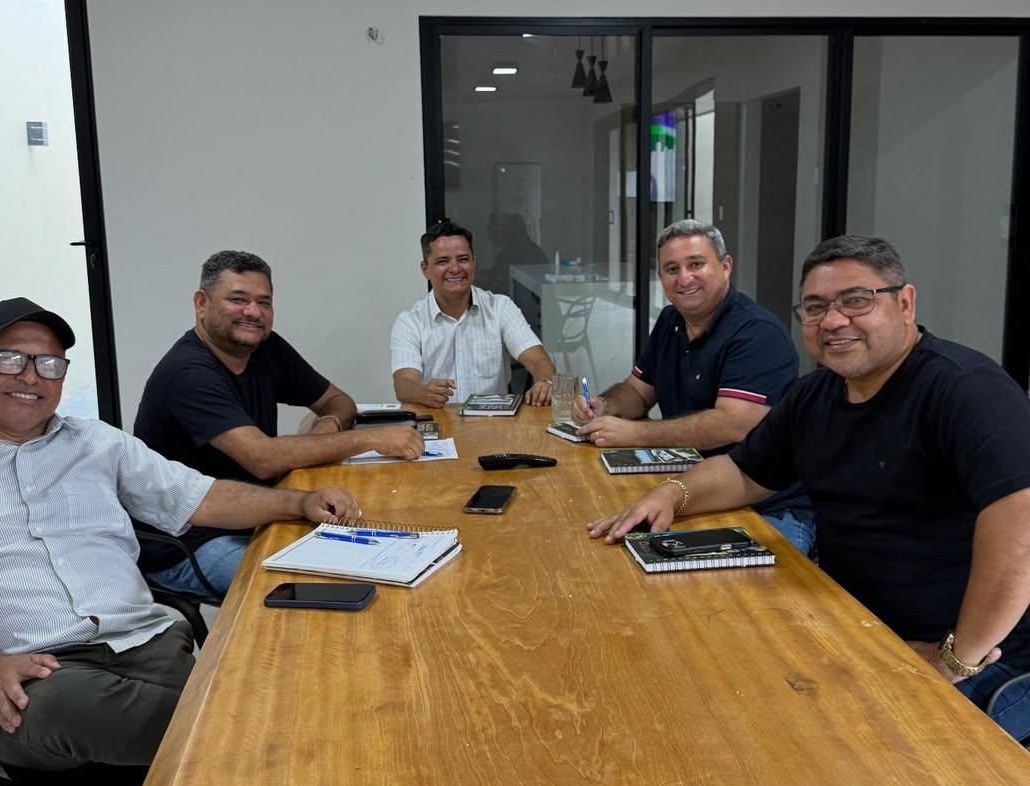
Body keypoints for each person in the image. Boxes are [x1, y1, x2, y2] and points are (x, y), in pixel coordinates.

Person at [589, 235, 1030, 741]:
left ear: (905, 303)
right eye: (816, 307)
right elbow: (744, 471)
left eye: (857, 301)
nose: (834, 321)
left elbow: (1021, 526)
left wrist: (957, 658)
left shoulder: (966, 390)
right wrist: (670, 494)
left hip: (986, 659)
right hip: (859, 629)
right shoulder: (815, 395)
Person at [0, 297, 360, 771]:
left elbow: (200, 497)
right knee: (247, 721)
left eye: (48, 364)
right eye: (8, 359)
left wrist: (298, 503)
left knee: (276, 671)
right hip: (31, 674)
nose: (30, 376)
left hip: (146, 645)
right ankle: (290, 743)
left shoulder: (98, 443)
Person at [134, 250, 421, 599]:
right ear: (201, 303)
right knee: (324, 586)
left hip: (261, 510)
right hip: (191, 542)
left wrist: (325, 431)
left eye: (263, 302)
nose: (253, 312)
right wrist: (371, 439)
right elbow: (263, 458)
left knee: (383, 545)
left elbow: (339, 401)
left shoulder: (265, 348)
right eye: (238, 300)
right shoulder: (188, 372)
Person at [575, 220, 813, 554]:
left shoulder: (757, 333)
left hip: (766, 506)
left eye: (696, 264)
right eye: (672, 269)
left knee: (736, 602)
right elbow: (637, 392)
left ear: (726, 266)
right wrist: (605, 405)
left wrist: (636, 435)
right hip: (686, 485)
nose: (684, 278)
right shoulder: (671, 321)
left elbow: (733, 424)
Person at [391, 218, 557, 408]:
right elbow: (403, 385)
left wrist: (546, 383)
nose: (455, 269)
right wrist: (422, 392)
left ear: (474, 262)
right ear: (425, 269)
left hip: (493, 422)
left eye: (463, 259)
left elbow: (538, 360)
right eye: (443, 261)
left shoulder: (500, 308)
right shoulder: (409, 321)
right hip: (437, 421)